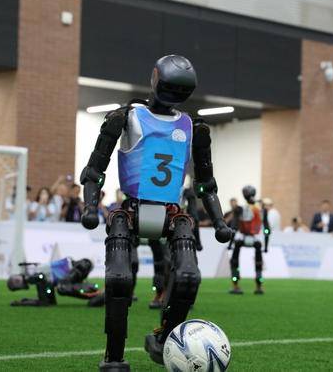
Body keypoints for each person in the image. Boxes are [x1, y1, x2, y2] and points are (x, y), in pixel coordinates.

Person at [79, 55, 232, 368]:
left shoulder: (193, 127)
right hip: (131, 208)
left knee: (188, 276)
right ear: (155, 80)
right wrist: (90, 206)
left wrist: (219, 221)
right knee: (119, 278)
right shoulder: (126, 117)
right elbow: (94, 169)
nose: (174, 93)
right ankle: (114, 357)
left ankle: (164, 338)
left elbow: (206, 183)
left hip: (173, 213)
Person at [229, 185, 266, 295]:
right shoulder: (261, 209)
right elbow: (267, 228)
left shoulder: (239, 209)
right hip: (256, 239)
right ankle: (259, 285)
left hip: (242, 237)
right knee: (258, 261)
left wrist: (230, 243)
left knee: (234, 260)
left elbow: (234, 226)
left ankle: (235, 284)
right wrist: (266, 245)